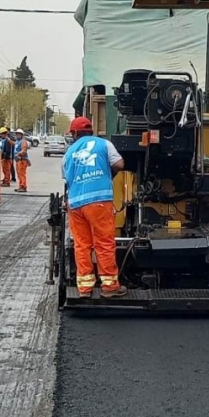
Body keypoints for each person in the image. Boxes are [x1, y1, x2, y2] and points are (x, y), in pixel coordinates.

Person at [62, 116, 127, 298]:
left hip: (75, 204)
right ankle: (109, 287)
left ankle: (84, 289)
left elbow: (67, 179)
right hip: (99, 201)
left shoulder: (69, 152)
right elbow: (119, 164)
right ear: (90, 131)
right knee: (104, 243)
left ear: (74, 133)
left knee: (82, 245)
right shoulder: (103, 144)